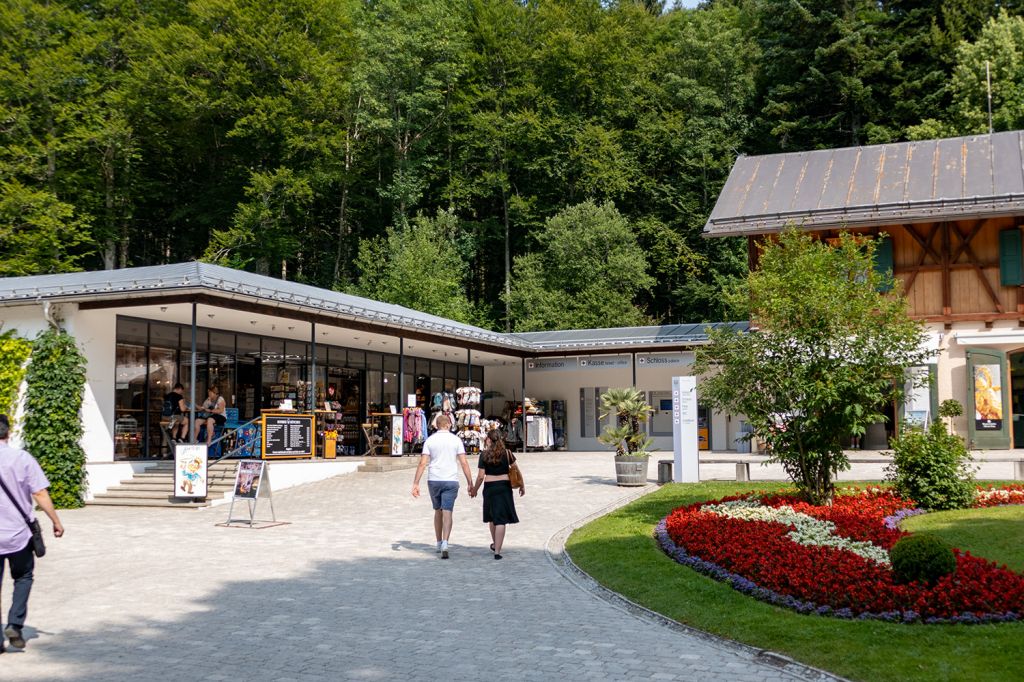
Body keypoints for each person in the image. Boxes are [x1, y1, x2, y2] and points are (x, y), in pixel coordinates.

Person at [0, 414, 64, 653]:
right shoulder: (22, 458)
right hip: (18, 534)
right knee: (23, 577)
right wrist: (56, 521)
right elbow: (39, 494)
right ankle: (15, 624)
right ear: (8, 432)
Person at [411, 415, 475, 559]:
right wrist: (470, 483)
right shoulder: (456, 440)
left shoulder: (430, 440)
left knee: (437, 510)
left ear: (437, 425)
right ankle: (446, 542)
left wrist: (416, 483)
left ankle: (439, 542)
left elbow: (422, 463)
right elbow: (464, 463)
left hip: (434, 479)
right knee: (448, 512)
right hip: (450, 480)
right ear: (447, 425)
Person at [470, 430, 524, 560]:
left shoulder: (484, 455)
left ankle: (495, 544)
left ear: (488, 439)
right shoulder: (507, 453)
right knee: (501, 519)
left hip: (490, 488)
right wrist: (522, 485)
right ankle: (497, 551)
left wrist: (475, 490)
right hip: (504, 487)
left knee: (492, 517)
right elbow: (516, 469)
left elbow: (480, 476)